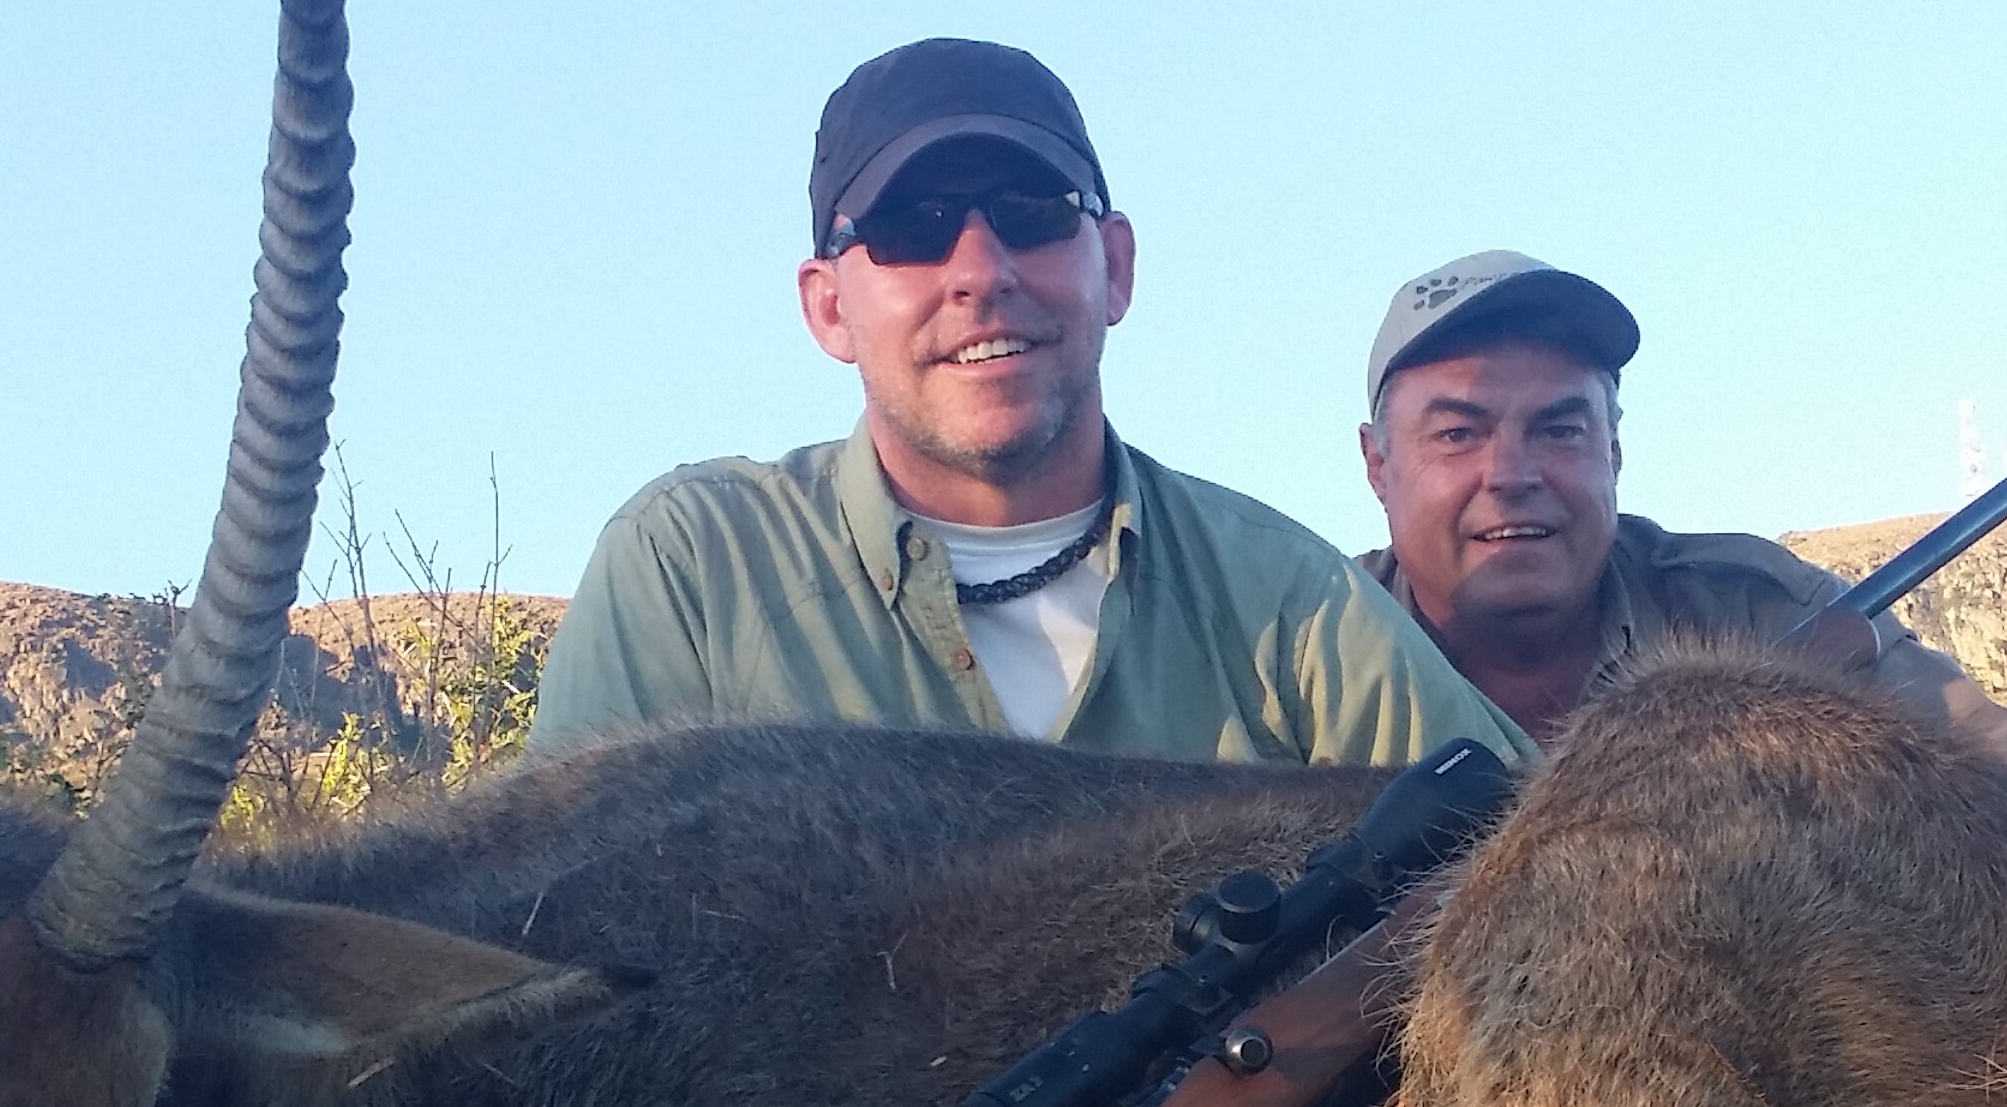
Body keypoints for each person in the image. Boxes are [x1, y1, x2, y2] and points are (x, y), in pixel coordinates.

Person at [531, 41, 1521, 766]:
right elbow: (551, 969)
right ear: (828, 306)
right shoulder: (692, 573)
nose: (980, 270)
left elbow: (1547, 856)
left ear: (1117, 267)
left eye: (1031, 212)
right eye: (910, 226)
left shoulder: (1295, 606)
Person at [1349, 249, 2007, 926]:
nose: (1512, 473)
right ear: (1377, 464)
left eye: (1560, 428)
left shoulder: (1755, 608)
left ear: (1613, 452)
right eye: (1459, 433)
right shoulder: (1299, 642)